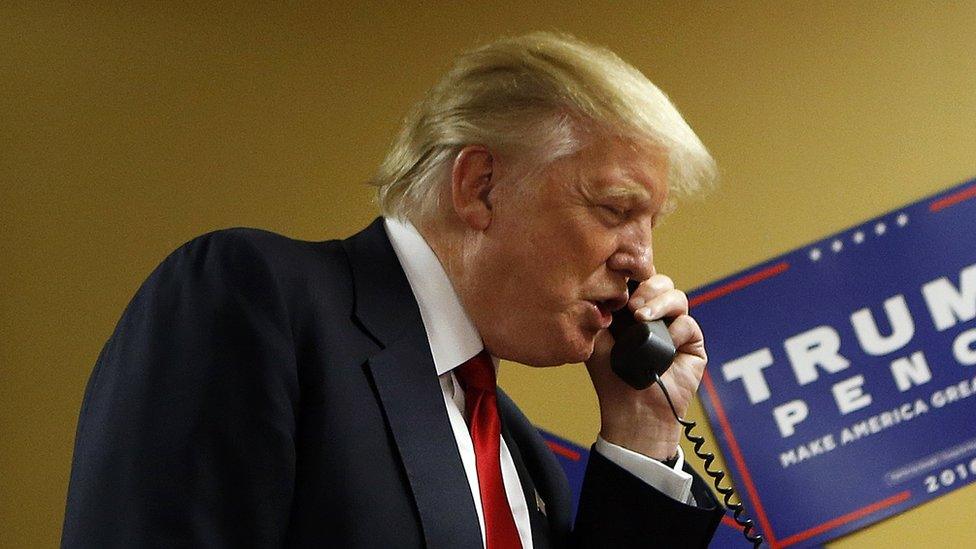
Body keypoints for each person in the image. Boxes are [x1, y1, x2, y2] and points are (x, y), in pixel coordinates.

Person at [62, 32, 724, 547]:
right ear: (480, 187)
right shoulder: (254, 295)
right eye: (614, 211)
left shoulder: (521, 453)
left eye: (651, 224)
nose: (643, 262)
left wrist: (643, 431)